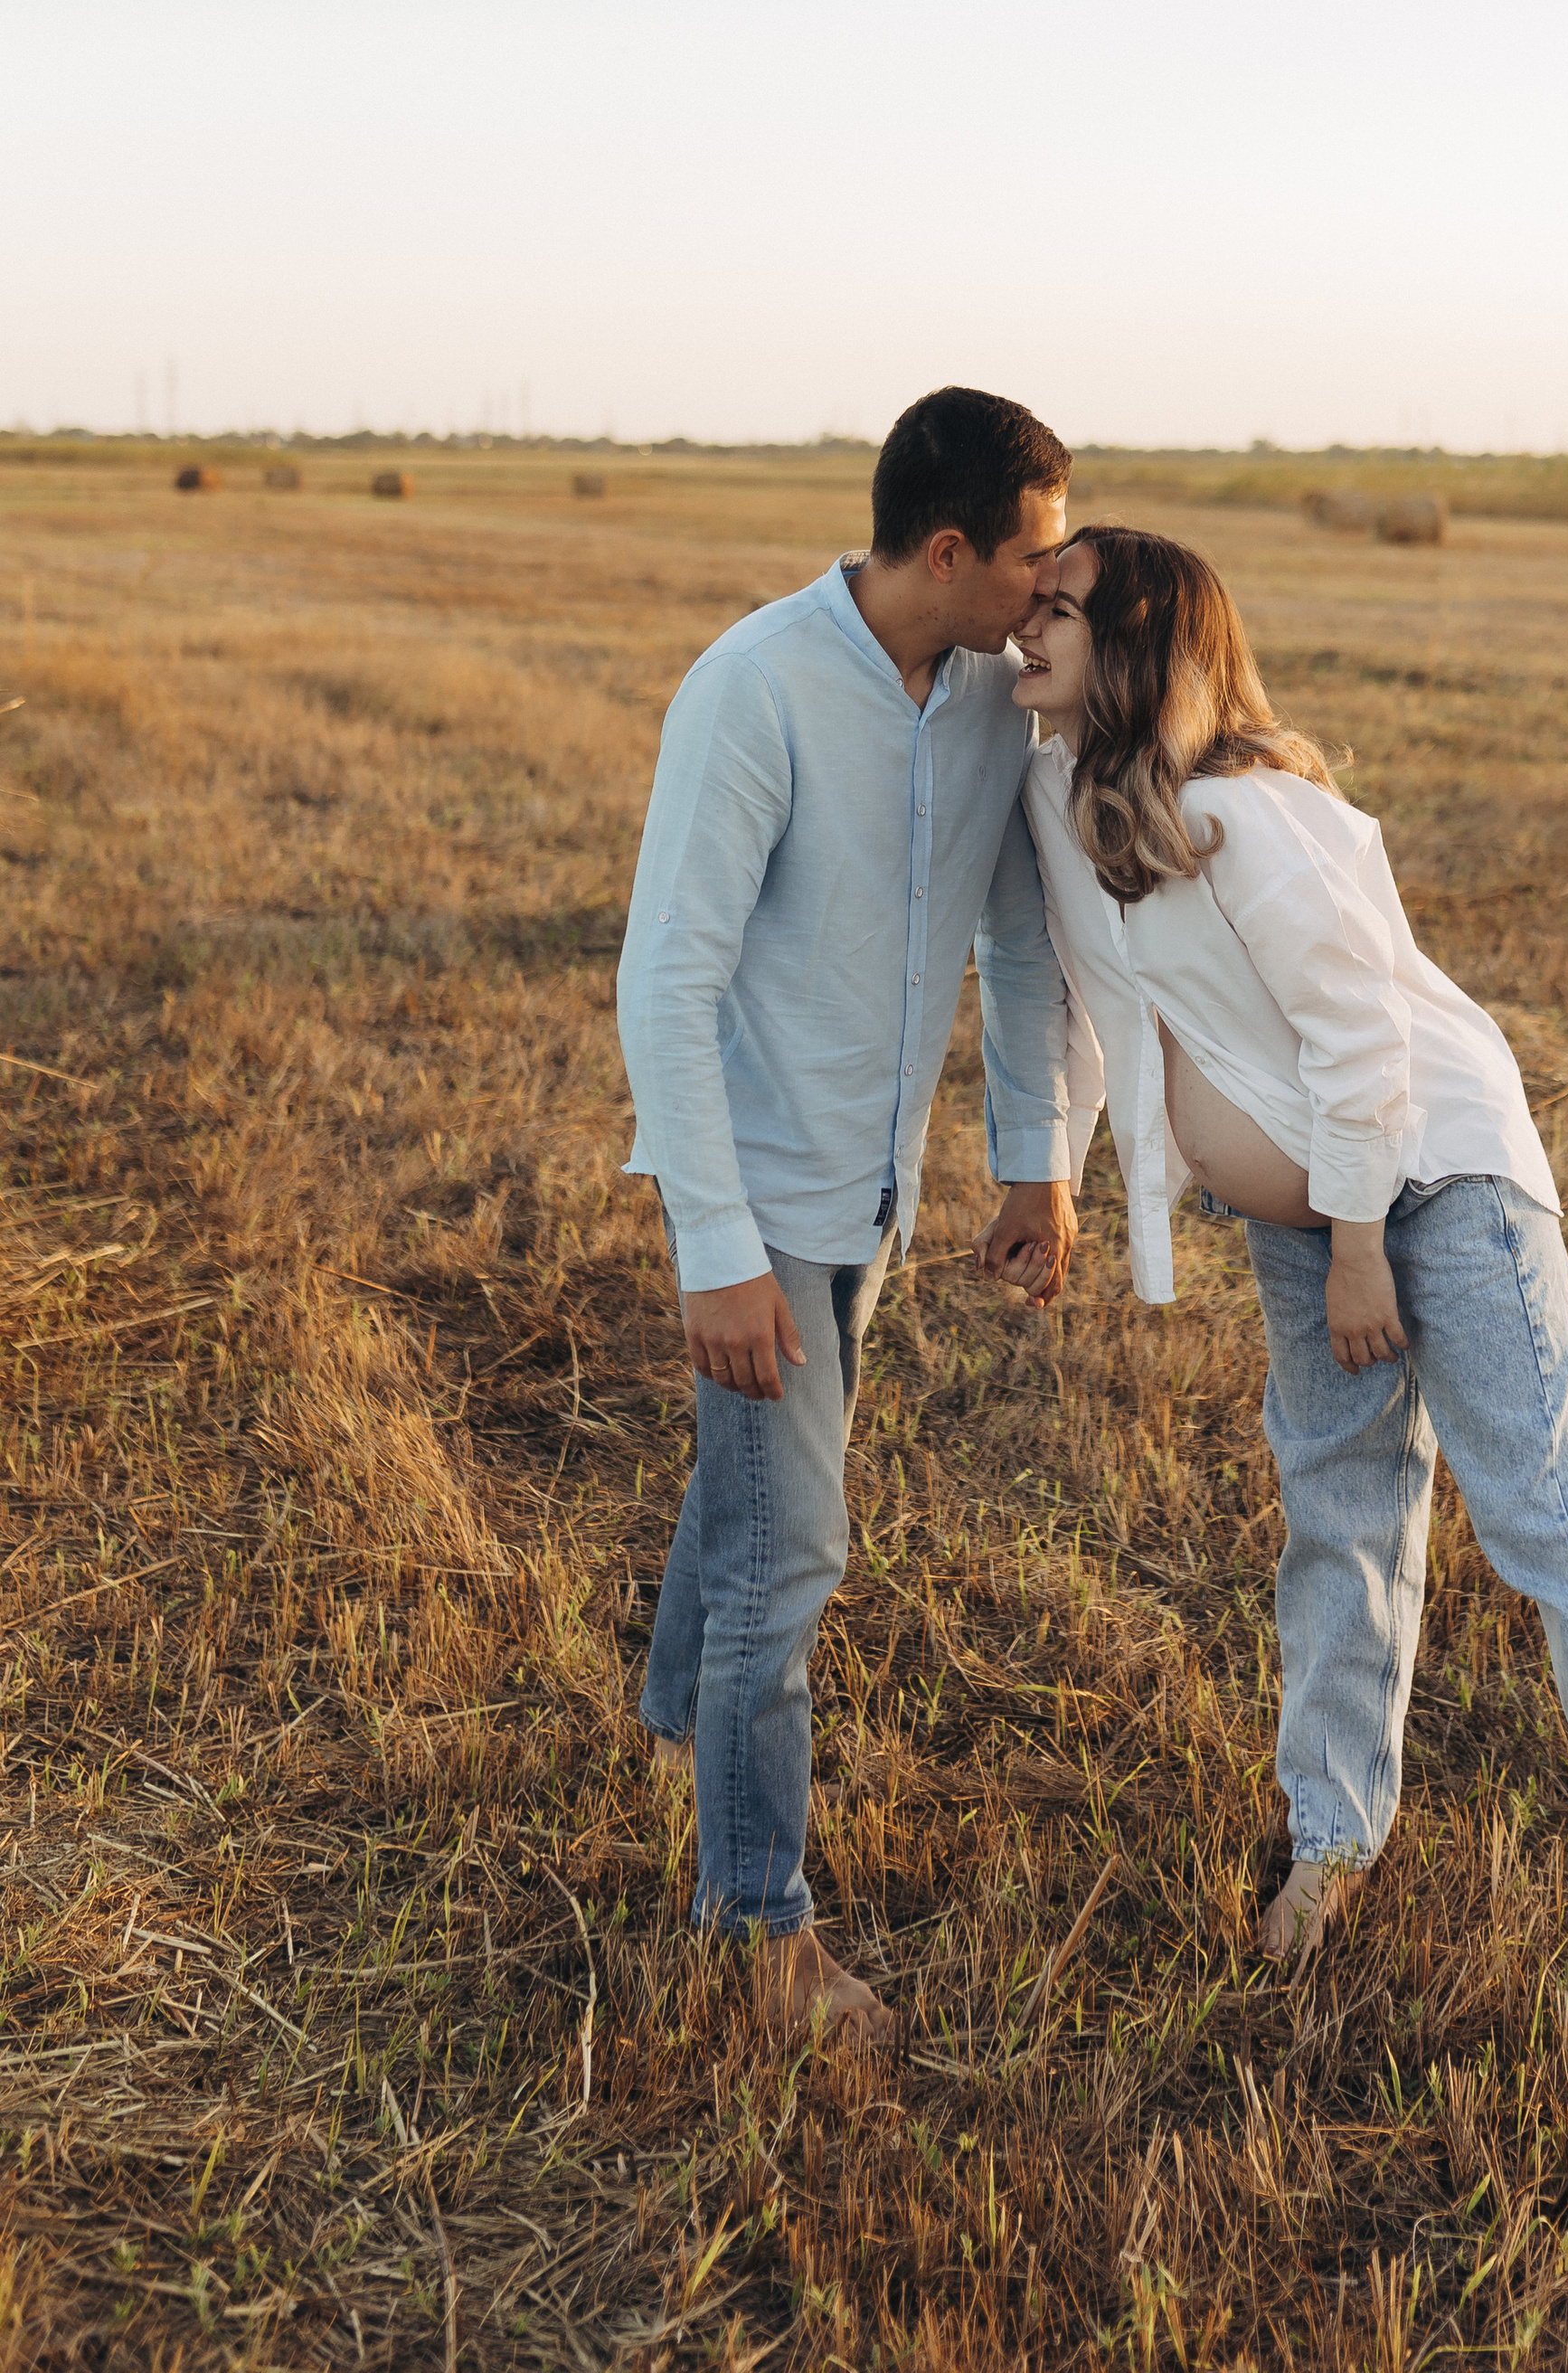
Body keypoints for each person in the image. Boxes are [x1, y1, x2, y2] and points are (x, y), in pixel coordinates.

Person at [994, 525, 1568, 2031]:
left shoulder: (1252, 816)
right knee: (1338, 1522)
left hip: (1433, 1190)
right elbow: (1086, 1002)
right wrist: (1064, 1175)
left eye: (1059, 614)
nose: (1025, 633)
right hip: (1304, 1222)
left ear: (1140, 650)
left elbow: (1363, 1042)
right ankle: (1332, 1845)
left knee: (1555, 1529)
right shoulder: (1054, 793)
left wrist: (1357, 1247)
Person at [619, 387, 1083, 2045]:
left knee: (752, 1498)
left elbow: (1022, 942)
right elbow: (666, 982)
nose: (1055, 583)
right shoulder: (754, 688)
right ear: (947, 550)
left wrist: (1039, 1158)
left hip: (875, 1193)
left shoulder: (989, 706)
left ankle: (678, 1723)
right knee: (785, 1557)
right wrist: (717, 1253)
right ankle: (755, 1929)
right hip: (762, 1198)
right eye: (1035, 554)